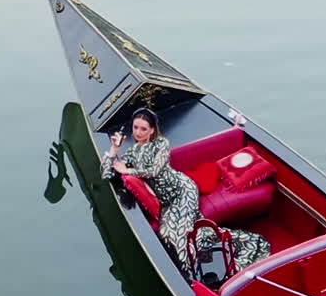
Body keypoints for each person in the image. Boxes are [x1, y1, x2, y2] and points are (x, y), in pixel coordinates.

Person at [101, 108, 269, 278]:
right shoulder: (132, 152)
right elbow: (106, 174)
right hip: (168, 202)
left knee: (180, 233)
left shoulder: (161, 144)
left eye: (143, 129)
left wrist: (128, 170)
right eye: (135, 128)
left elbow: (154, 171)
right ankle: (194, 271)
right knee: (168, 233)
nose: (138, 132)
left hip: (183, 190)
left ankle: (205, 267)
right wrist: (115, 150)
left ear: (152, 130)